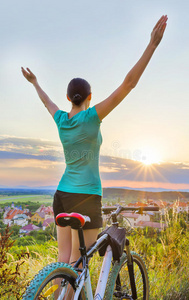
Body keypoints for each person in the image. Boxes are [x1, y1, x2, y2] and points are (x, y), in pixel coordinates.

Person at [21, 15, 167, 268]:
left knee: (63, 262)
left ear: (68, 97)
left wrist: (35, 83)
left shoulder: (61, 119)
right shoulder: (92, 117)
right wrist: (152, 45)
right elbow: (128, 84)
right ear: (90, 96)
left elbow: (47, 101)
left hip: (62, 195)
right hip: (87, 196)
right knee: (79, 264)